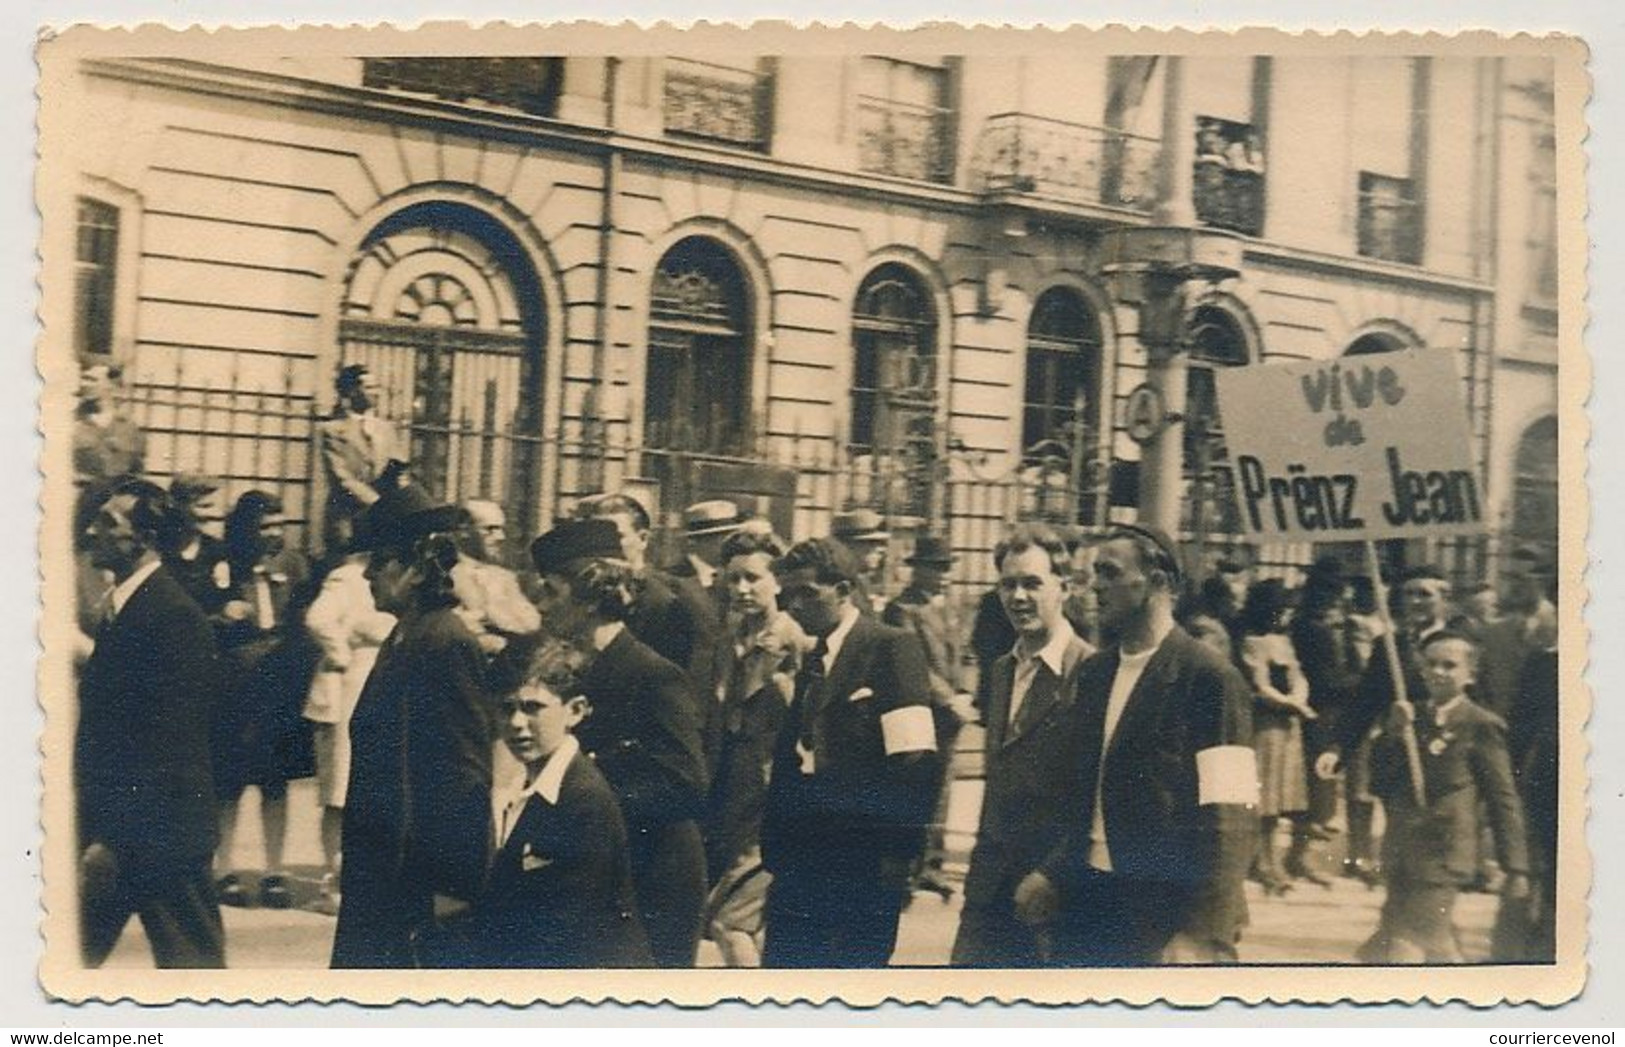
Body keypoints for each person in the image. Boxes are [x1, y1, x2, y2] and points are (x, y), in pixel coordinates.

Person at [1015, 524, 1255, 966]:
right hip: (1089, 901)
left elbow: (1232, 816)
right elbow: (1086, 796)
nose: (1095, 587)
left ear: (1158, 582)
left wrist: (1203, 931)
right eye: (1093, 574)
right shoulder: (1095, 674)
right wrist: (1051, 872)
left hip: (1165, 912)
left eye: (1109, 572)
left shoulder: (1209, 678)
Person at [530, 518, 710, 968]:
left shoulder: (654, 675)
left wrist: (594, 795)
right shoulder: (569, 669)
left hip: (655, 874)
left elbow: (686, 783)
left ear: (590, 596)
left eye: (551, 591)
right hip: (600, 867)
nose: (541, 604)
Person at [331, 481, 491, 969]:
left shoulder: (445, 642)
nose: (369, 575)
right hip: (381, 871)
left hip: (415, 883)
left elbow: (463, 773)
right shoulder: (405, 636)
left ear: (420, 568)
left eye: (381, 562)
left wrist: (453, 884)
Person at [415, 639, 653, 968]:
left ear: (575, 711)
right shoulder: (524, 787)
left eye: (532, 708)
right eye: (506, 708)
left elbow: (564, 931)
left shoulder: (583, 801)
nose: (515, 723)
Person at [760, 537, 940, 968]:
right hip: (799, 866)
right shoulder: (814, 656)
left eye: (809, 593)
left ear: (843, 590)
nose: (795, 606)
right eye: (788, 596)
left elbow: (915, 763)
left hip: (861, 869)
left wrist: (893, 865)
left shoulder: (889, 647)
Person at [76, 477, 224, 967]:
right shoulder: (126, 606)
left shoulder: (172, 616)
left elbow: (168, 743)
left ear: (144, 537)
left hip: (161, 839)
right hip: (125, 832)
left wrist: (112, 838)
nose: (92, 532)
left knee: (196, 979)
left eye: (107, 523)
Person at [952, 524, 1094, 967]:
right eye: (1007, 584)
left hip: (1052, 895)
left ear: (1063, 588)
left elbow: (1096, 795)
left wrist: (1054, 874)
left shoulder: (1092, 672)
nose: (1018, 597)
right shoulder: (1000, 671)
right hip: (988, 890)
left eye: (1032, 583)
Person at [1357, 631, 1529, 963]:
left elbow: (1502, 799)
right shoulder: (1409, 717)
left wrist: (1516, 867)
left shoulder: (1481, 724)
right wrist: (1392, 734)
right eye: (1431, 664)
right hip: (1403, 848)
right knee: (1426, 942)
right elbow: (1379, 783)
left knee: (1404, 943)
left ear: (1470, 675)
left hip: (1444, 852)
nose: (1438, 671)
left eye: (1449, 665)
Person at [211, 490, 318, 910]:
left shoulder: (294, 565)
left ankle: (274, 870)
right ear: (245, 529)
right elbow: (206, 615)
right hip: (236, 682)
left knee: (276, 780)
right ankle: (226, 869)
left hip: (280, 682)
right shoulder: (225, 563)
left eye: (279, 526)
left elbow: (306, 619)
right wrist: (226, 615)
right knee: (230, 781)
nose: (273, 534)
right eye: (264, 527)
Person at [702, 527, 804, 966]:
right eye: (733, 579)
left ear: (777, 581)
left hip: (773, 803)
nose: (741, 589)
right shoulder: (728, 641)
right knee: (746, 925)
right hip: (733, 801)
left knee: (730, 922)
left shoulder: (796, 640)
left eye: (753, 578)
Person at [302, 548, 397, 916]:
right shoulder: (348, 576)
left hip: (383, 680)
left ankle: (365, 879)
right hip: (349, 687)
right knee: (341, 790)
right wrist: (341, 653)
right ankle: (336, 882)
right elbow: (318, 618)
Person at [883, 532, 974, 900]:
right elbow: (911, 663)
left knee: (942, 790)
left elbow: (963, 654)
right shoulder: (902, 609)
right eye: (936, 568)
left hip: (949, 716)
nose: (943, 575)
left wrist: (965, 691)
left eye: (947, 568)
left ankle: (931, 865)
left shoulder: (949, 607)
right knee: (914, 790)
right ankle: (905, 870)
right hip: (920, 711)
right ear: (917, 570)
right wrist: (948, 698)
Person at [573, 492, 721, 714]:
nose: (604, 546)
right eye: (597, 536)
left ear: (642, 539)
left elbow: (695, 685)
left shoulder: (678, 597)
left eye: (617, 536)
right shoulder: (583, 595)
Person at [1235, 579, 1321, 894]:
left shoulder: (1284, 642)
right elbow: (1261, 684)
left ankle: (1274, 861)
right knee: (1264, 797)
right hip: (1266, 725)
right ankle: (1260, 862)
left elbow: (1298, 676)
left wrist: (1299, 699)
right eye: (1282, 609)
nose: (1286, 615)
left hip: (1289, 725)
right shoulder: (1252, 642)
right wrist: (1291, 704)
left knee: (1280, 798)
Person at [1290, 559, 1364, 844]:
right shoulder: (1309, 627)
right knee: (1317, 774)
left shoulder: (1337, 627)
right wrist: (1360, 682)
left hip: (1338, 705)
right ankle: (1306, 839)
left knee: (1325, 776)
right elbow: (1324, 677)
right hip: (1321, 706)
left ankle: (1309, 838)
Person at [317, 364, 404, 553]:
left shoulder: (386, 429)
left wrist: (400, 502)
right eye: (369, 388)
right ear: (352, 391)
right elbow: (342, 479)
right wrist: (377, 503)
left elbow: (398, 469)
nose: (376, 393)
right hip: (347, 519)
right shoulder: (332, 430)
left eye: (377, 387)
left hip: (384, 521)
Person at [450, 498, 542, 655]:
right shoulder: (446, 573)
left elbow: (531, 624)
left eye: (501, 529)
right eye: (490, 529)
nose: (501, 537)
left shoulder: (504, 577)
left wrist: (488, 616)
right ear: (463, 530)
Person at [162, 473, 232, 618]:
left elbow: (229, 595)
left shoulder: (218, 550)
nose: (213, 514)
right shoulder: (158, 550)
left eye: (214, 507)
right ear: (178, 507)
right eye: (204, 506)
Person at [73, 362, 146, 486]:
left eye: (117, 387)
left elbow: (138, 468)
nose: (116, 393)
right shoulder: (76, 427)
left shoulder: (130, 427)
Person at [668, 499, 746, 596]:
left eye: (735, 537)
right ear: (695, 541)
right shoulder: (671, 579)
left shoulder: (735, 577)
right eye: (723, 538)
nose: (732, 544)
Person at [831, 509, 892, 615]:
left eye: (882, 543)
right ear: (850, 546)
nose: (881, 549)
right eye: (872, 543)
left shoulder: (860, 581)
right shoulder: (834, 582)